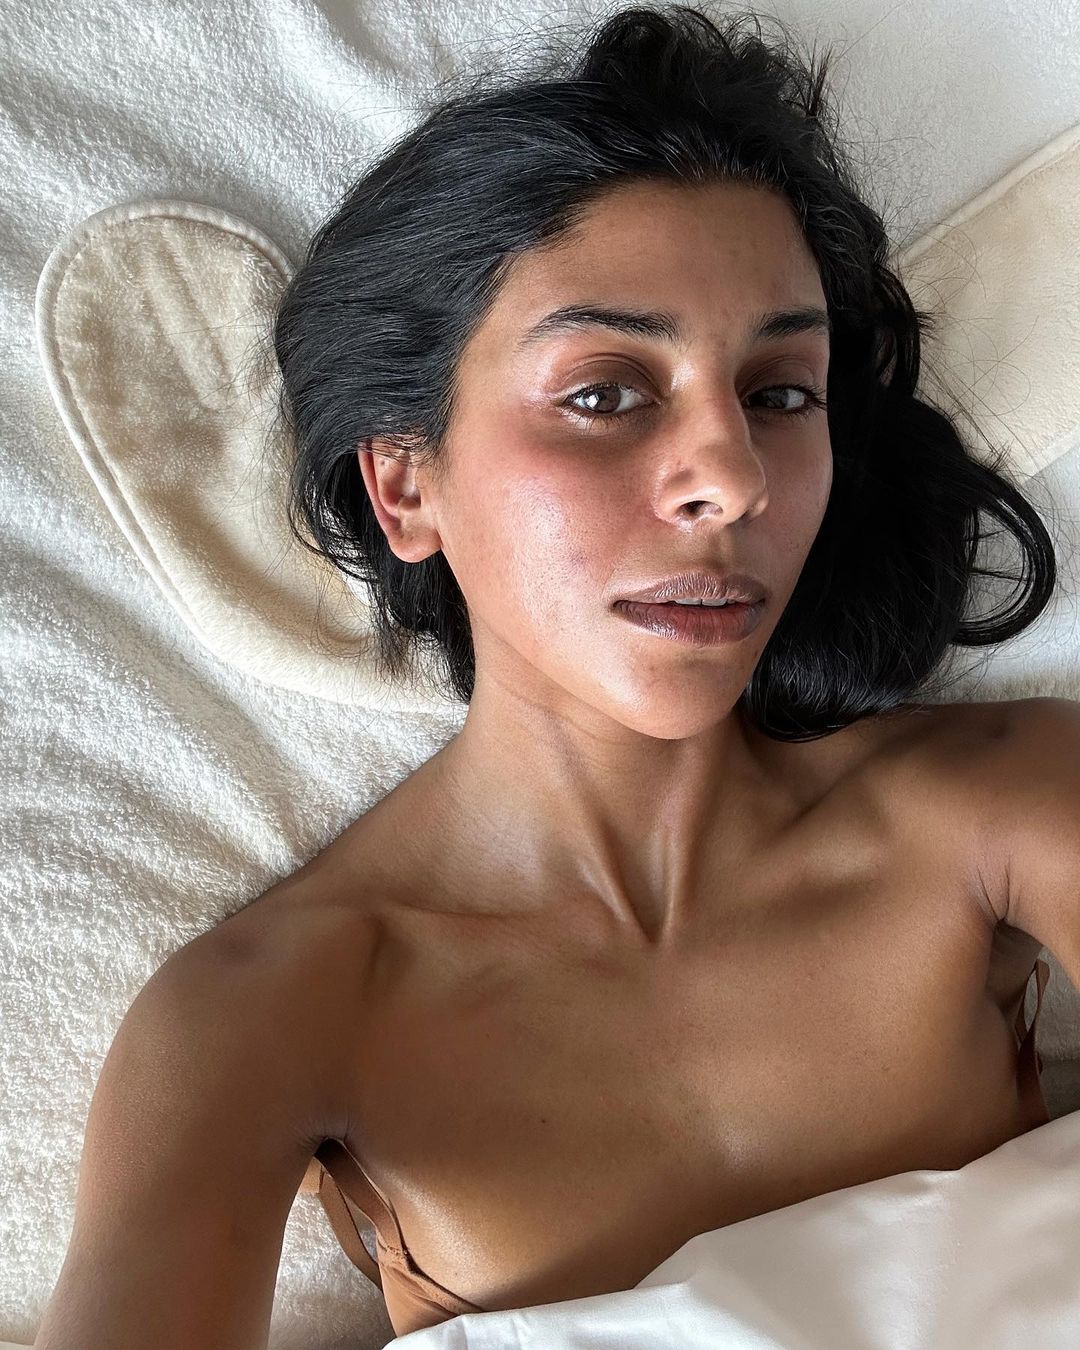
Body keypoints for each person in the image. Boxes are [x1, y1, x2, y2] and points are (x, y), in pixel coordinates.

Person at [35, 4, 1064, 1346]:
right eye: (605, 393)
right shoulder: (268, 1014)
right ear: (406, 485)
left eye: (779, 392)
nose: (732, 478)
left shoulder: (1002, 806)